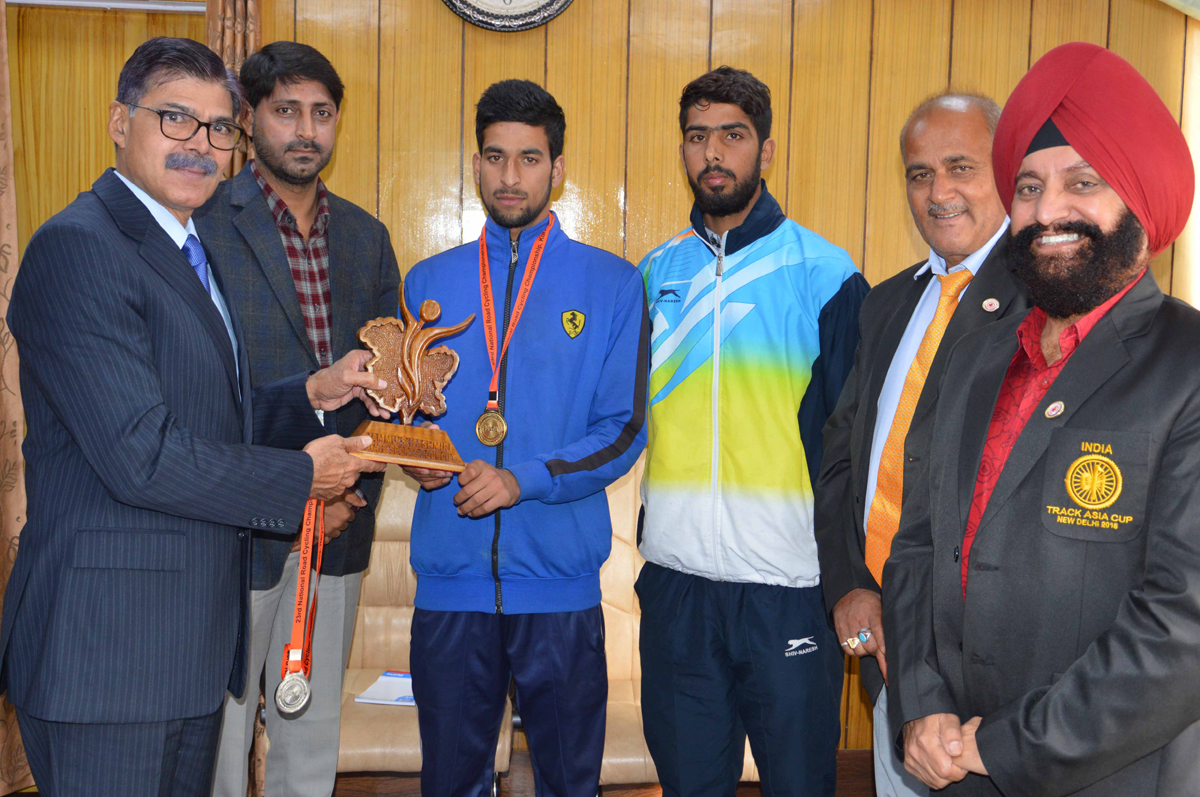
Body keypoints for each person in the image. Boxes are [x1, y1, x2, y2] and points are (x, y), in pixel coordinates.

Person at [0, 37, 387, 796]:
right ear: (120, 122)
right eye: (175, 118)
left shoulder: (183, 248)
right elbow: (140, 454)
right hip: (108, 656)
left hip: (185, 651)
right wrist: (301, 478)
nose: (200, 144)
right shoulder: (80, 246)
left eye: (218, 128)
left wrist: (312, 392)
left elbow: (210, 417)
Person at [884, 42, 1200, 796]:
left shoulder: (1187, 366)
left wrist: (1004, 745)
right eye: (1028, 186)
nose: (1049, 211)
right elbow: (917, 542)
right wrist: (922, 701)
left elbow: (1181, 627)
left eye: (1082, 183)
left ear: (1139, 197)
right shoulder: (975, 354)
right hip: (953, 761)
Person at [400, 79, 648, 797]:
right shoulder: (426, 283)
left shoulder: (612, 284)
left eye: (529, 158)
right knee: (450, 784)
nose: (510, 176)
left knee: (569, 785)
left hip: (560, 590)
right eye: (495, 157)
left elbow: (624, 430)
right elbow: (405, 413)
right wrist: (418, 459)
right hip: (451, 586)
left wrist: (522, 479)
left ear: (557, 168)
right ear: (476, 164)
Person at [636, 66, 868, 797]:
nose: (713, 153)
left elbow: (854, 449)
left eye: (732, 135)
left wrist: (850, 577)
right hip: (676, 587)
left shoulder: (824, 273)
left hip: (788, 588)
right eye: (697, 136)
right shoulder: (653, 274)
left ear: (765, 150)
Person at [194, 41, 400, 797]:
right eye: (286, 111)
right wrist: (290, 494)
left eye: (321, 112)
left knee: (309, 740)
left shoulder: (366, 237)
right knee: (217, 743)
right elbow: (197, 395)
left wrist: (349, 492)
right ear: (249, 120)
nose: (306, 130)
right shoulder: (205, 224)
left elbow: (386, 387)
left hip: (335, 533)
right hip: (233, 533)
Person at [813, 92, 1027, 797]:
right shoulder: (887, 302)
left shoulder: (1045, 302)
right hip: (886, 647)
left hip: (993, 671)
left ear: (1006, 170)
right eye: (919, 174)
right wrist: (850, 583)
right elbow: (844, 454)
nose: (938, 192)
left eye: (961, 167)